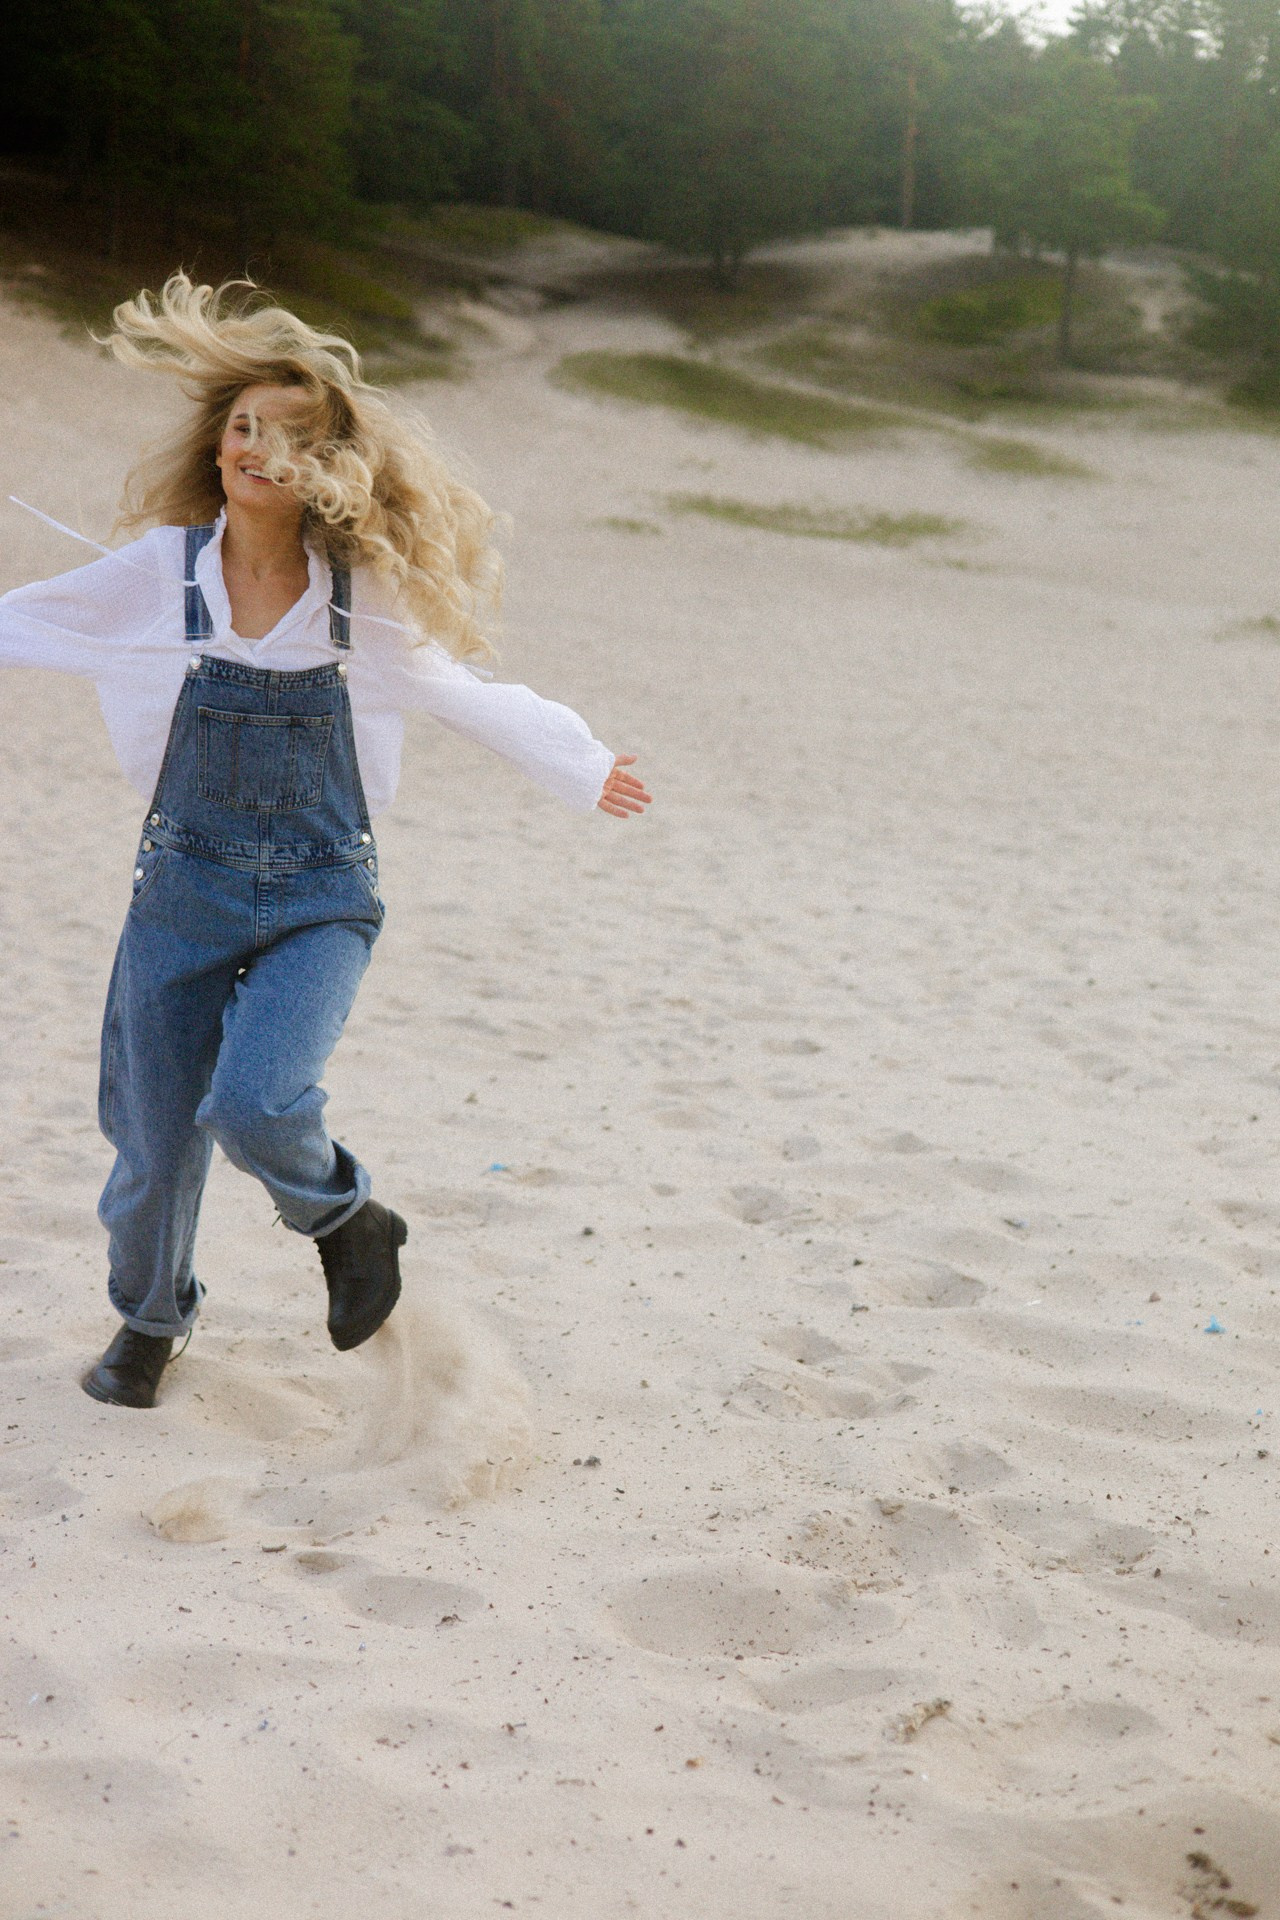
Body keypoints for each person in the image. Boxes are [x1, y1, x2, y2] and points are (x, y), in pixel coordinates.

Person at [0, 273, 650, 1410]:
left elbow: (464, 693)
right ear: (218, 448)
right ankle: (150, 1323)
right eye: (242, 426)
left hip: (320, 899)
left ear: (327, 465)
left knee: (256, 1102)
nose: (256, 446)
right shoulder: (162, 577)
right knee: (151, 1143)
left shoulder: (357, 602)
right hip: (179, 895)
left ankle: (350, 1219)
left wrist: (580, 767)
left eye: (288, 434)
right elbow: (26, 619)